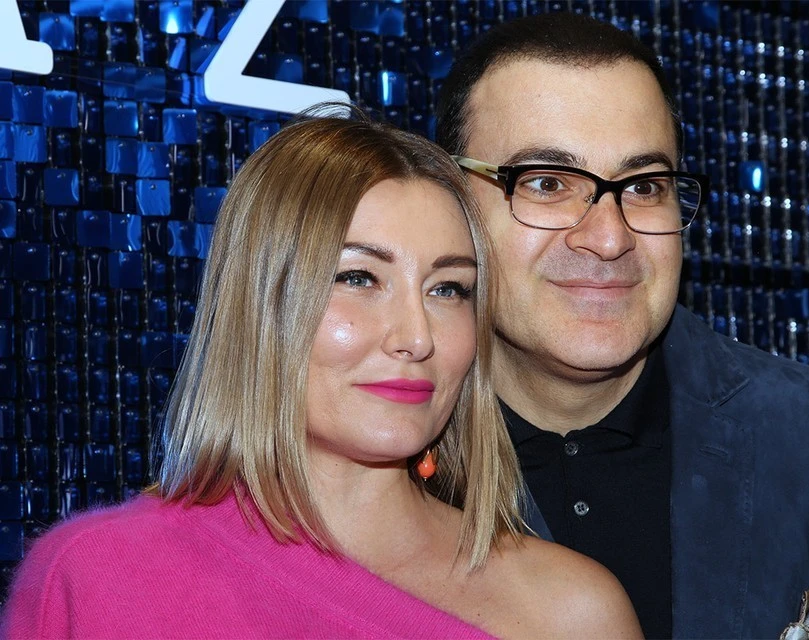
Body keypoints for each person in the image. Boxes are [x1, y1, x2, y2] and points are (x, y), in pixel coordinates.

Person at [1, 112, 643, 639]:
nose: (417, 337)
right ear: (260, 304)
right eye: (358, 278)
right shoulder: (96, 577)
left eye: (448, 289)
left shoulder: (571, 613)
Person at [436, 12, 809, 639]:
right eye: (547, 183)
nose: (609, 237)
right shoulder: (374, 465)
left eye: (644, 186)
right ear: (450, 201)